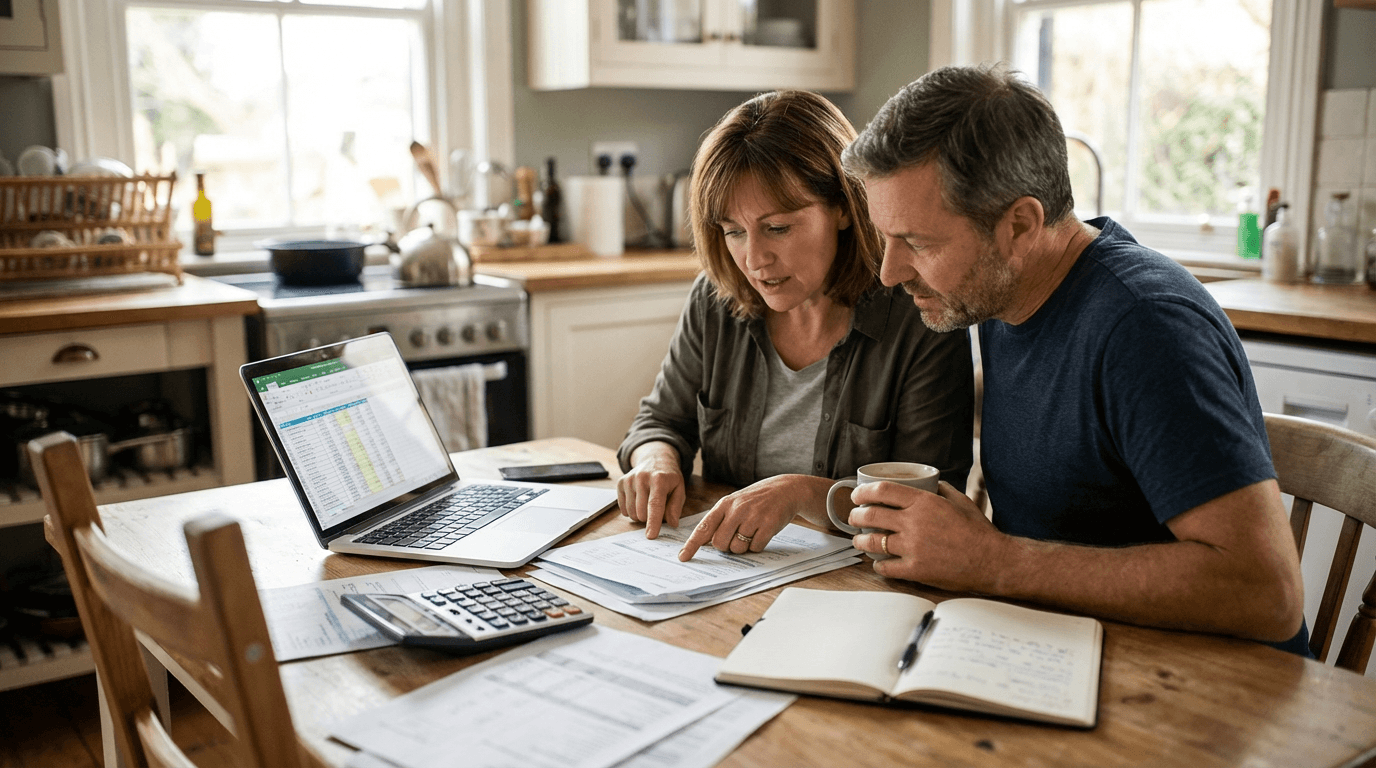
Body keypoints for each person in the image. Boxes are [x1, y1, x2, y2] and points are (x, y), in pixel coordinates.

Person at [838, 64, 1309, 653]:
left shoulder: (1146, 328)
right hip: (1059, 652)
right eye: (888, 238)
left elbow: (1267, 595)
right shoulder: (1006, 297)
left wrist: (994, 561)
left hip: (1213, 697)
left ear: (1020, 224)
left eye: (919, 243)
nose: (890, 272)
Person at [616, 89, 974, 559]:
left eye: (778, 228)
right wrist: (656, 460)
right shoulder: (714, 300)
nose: (754, 259)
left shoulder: (919, 316)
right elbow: (660, 421)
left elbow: (933, 508)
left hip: (863, 588)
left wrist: (803, 494)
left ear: (845, 206)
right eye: (734, 232)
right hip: (731, 569)